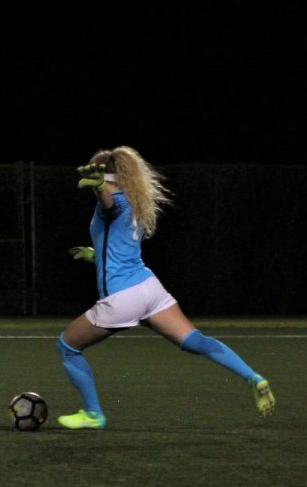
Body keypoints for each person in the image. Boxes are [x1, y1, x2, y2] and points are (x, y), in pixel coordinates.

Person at [56, 145, 275, 429]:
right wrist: (94, 254)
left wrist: (99, 187)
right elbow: (119, 243)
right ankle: (253, 377)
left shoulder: (114, 200)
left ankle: (93, 414)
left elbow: (109, 204)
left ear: (107, 175)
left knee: (67, 346)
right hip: (149, 288)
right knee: (195, 340)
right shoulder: (134, 202)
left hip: (123, 296)